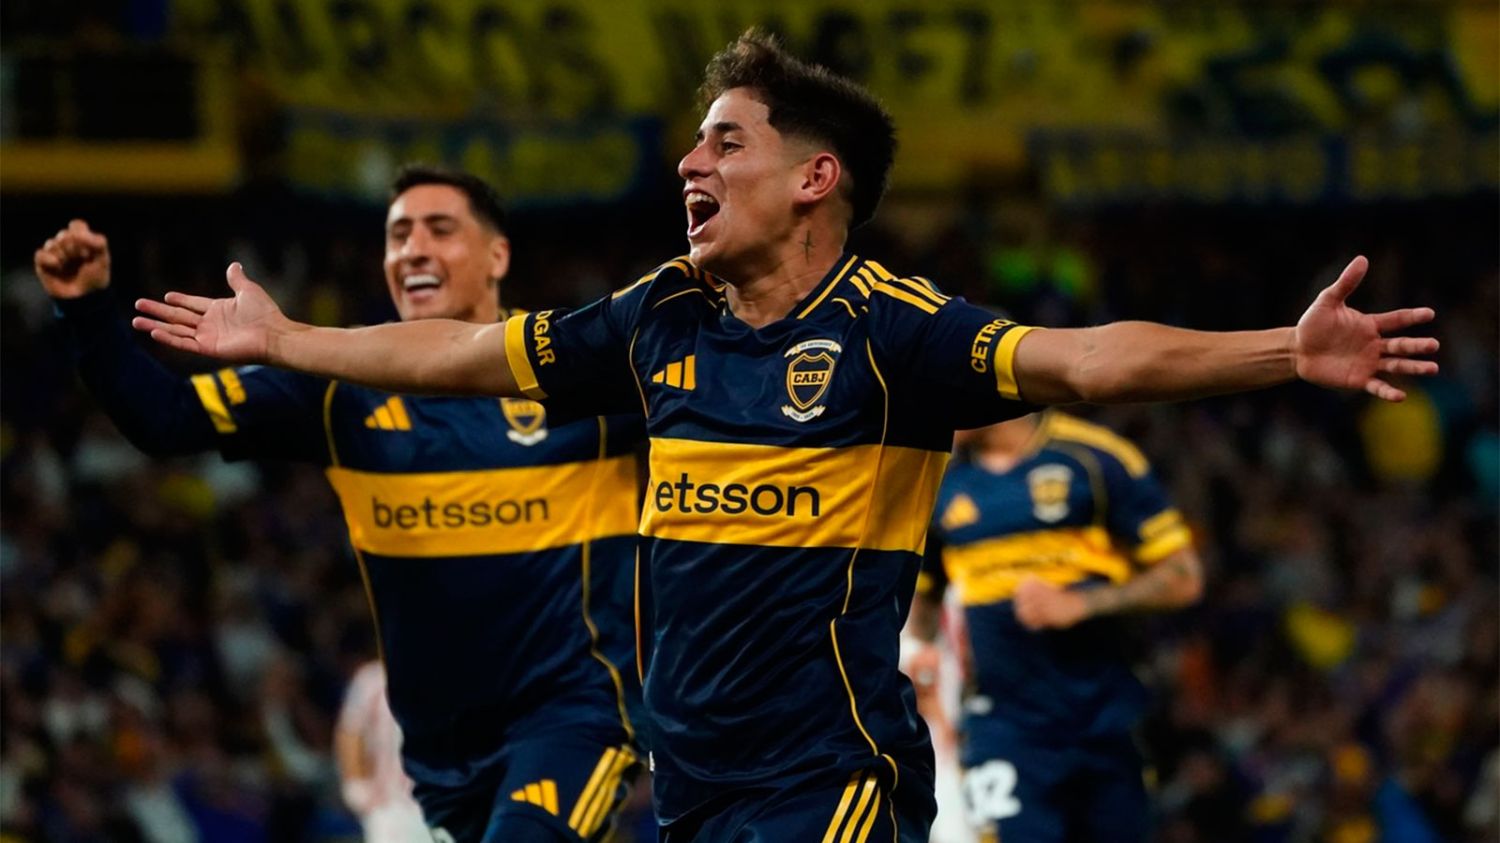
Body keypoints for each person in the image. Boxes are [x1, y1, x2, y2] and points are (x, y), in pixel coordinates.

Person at [130, 31, 1438, 840]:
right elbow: (466, 354)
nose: (690, 165)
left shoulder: (895, 332)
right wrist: (289, 343)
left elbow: (1090, 359)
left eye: (725, 143)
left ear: (815, 178)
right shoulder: (658, 315)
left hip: (831, 776)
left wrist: (1284, 349)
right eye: (695, 144)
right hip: (690, 781)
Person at [36, 166, 645, 843]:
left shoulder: (575, 372)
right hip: (440, 760)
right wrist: (87, 312)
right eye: (398, 235)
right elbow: (164, 417)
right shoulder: (339, 391)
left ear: (497, 255)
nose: (413, 249)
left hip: (574, 721)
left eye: (440, 229)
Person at [909, 411, 1204, 842]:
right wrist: (915, 650)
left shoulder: (1094, 459)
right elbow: (923, 598)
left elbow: (1183, 578)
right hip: (1002, 725)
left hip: (1106, 718)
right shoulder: (937, 481)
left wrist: (1083, 603)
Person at [336, 661, 429, 842]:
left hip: (439, 802)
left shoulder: (446, 675)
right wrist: (356, 786)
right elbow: (350, 732)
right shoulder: (372, 679)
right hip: (392, 806)